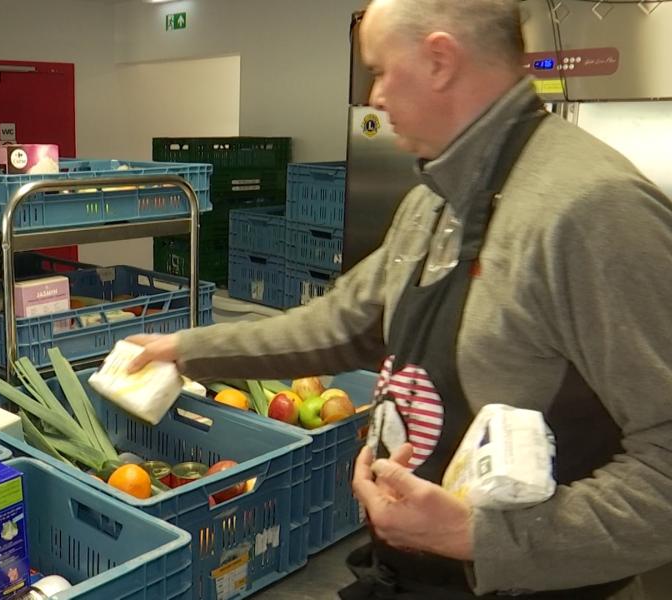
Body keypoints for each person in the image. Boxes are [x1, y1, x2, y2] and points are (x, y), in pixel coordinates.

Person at [126, 0, 672, 597]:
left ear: (440, 59)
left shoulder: (593, 210)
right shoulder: (432, 200)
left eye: (382, 70)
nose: (376, 97)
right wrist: (186, 350)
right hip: (406, 575)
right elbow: (341, 323)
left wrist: (482, 537)